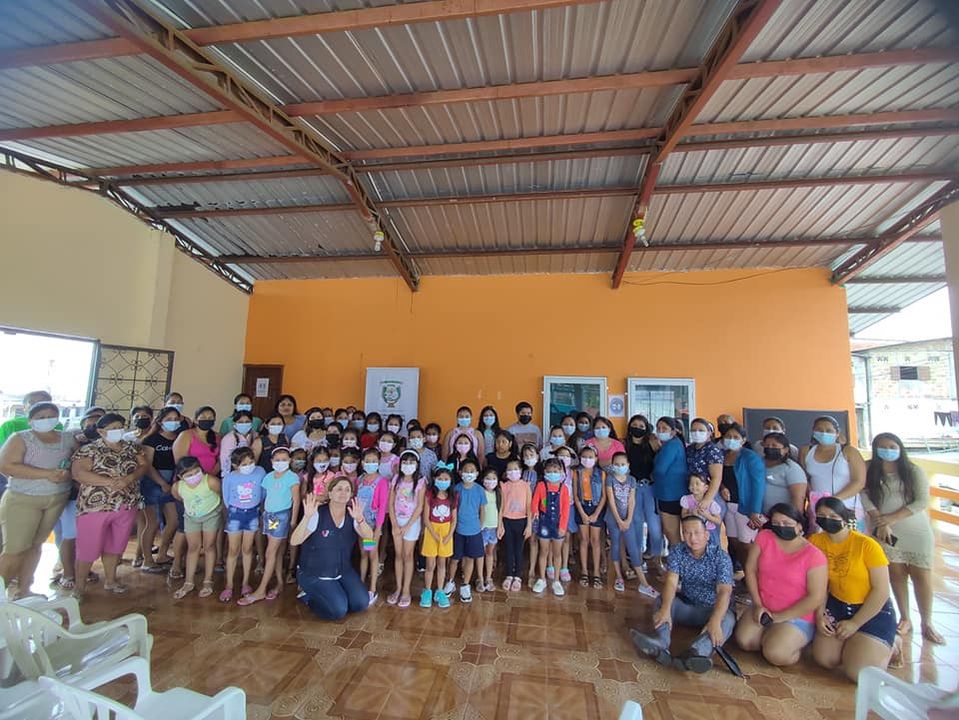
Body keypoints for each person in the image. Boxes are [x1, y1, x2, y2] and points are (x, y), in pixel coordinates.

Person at [862, 433, 942, 644]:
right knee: (896, 574)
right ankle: (905, 618)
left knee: (921, 576)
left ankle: (927, 622)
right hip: (884, 531)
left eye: (892, 446)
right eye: (882, 447)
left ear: (900, 448)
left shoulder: (913, 470)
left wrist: (890, 519)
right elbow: (864, 495)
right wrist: (881, 521)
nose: (887, 450)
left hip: (915, 531)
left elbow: (921, 501)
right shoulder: (869, 468)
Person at [630, 515, 735, 673]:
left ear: (706, 535)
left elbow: (724, 591)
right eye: (687, 533)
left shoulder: (721, 558)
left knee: (727, 620)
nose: (692, 538)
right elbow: (671, 582)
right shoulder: (678, 551)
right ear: (683, 534)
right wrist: (666, 609)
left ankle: (696, 653)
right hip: (689, 605)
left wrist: (715, 620)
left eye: (697, 532)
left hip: (713, 609)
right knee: (662, 601)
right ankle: (661, 643)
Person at [809, 496, 896, 681]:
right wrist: (819, 614)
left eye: (833, 516)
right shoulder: (815, 541)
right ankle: (855, 645)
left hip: (871, 609)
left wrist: (855, 623)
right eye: (822, 516)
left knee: (858, 674)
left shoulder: (867, 545)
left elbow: (881, 591)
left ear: (844, 517)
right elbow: (820, 584)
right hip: (837, 605)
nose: (827, 520)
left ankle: (894, 644)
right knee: (825, 659)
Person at [735, 503, 828, 666]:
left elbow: (816, 597)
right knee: (745, 641)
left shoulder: (814, 555)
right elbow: (750, 569)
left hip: (796, 614)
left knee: (775, 653)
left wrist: (779, 618)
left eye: (786, 523)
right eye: (776, 523)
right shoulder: (765, 537)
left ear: (799, 526)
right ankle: (774, 635)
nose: (781, 527)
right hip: (764, 606)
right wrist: (758, 604)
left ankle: (795, 642)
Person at [71, 413, 148, 601]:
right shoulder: (89, 450)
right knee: (88, 547)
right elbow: (78, 473)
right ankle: (79, 587)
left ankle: (111, 580)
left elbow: (144, 466)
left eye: (120, 427)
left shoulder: (131, 447)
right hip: (96, 506)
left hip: (126, 503)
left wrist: (129, 478)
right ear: (101, 431)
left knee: (116, 545)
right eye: (113, 428)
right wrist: (110, 482)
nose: (118, 431)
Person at [0, 401, 74, 596]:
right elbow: (6, 466)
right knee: (15, 549)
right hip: (23, 498)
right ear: (30, 420)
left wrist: (67, 473)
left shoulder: (67, 438)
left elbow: (77, 460)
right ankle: (1, 591)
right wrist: (47, 474)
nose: (46, 420)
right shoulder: (21, 438)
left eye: (51, 416)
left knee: (36, 545)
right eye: (41, 417)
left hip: (56, 497)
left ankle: (24, 590)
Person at [292, 478, 374, 620]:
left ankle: (335, 592)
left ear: (351, 495)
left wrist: (360, 519)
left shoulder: (352, 514)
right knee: (338, 611)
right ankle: (308, 596)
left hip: (342, 571)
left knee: (361, 603)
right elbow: (294, 541)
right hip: (315, 574)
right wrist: (306, 517)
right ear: (330, 493)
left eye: (347, 490)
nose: (343, 493)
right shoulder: (317, 513)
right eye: (339, 489)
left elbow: (369, 539)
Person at [239, 447, 301, 605]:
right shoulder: (268, 477)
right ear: (272, 461)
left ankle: (261, 590)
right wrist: (262, 515)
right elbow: (265, 497)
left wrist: (293, 521)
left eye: (284, 459)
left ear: (289, 461)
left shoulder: (292, 477)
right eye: (277, 460)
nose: (281, 462)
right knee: (277, 551)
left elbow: (296, 500)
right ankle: (279, 583)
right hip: (269, 515)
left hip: (281, 516)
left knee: (270, 552)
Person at [801, 416, 866, 532]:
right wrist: (813, 499)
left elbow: (859, 482)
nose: (824, 433)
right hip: (819, 509)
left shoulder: (848, 451)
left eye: (828, 430)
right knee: (820, 541)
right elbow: (804, 478)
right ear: (813, 431)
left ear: (837, 433)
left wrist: (833, 500)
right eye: (819, 430)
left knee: (849, 540)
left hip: (847, 508)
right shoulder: (806, 451)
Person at [606, 452, 658, 598]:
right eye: (616, 464)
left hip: (628, 520)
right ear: (612, 465)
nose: (620, 467)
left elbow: (631, 500)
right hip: (613, 519)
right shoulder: (610, 479)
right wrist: (619, 520)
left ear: (628, 465)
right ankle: (618, 577)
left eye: (622, 464)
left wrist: (628, 520)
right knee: (615, 545)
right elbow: (611, 501)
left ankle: (644, 584)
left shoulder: (632, 480)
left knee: (633, 548)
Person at [171, 456, 222, 600]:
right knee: (193, 547)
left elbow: (221, 494)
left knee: (209, 546)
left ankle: (208, 581)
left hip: (211, 515)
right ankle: (189, 582)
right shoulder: (177, 487)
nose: (194, 477)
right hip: (191, 517)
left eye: (197, 472)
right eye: (189, 475)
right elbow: (179, 497)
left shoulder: (211, 481)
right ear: (181, 477)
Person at [137, 407, 181, 574]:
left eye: (176, 419)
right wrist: (161, 482)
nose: (173, 422)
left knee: (174, 520)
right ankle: (147, 560)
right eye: (169, 419)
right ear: (160, 421)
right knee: (153, 522)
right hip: (152, 483)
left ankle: (162, 554)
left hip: (172, 482)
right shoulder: (152, 439)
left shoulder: (179, 438)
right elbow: (147, 465)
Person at [220, 447, 264, 603]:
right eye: (244, 464)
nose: (249, 466)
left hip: (253, 513)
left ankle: (246, 583)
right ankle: (229, 585)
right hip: (235, 514)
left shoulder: (260, 472)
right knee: (233, 550)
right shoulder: (230, 477)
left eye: (251, 462)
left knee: (247, 549)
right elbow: (226, 498)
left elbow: (263, 492)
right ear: (235, 465)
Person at [720, 422, 765, 570]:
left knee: (747, 544)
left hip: (745, 507)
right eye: (728, 436)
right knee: (734, 542)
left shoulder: (750, 457)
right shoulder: (723, 456)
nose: (731, 440)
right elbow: (718, 478)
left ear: (743, 440)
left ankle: (755, 575)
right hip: (728, 506)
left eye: (735, 437)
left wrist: (755, 511)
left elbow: (758, 485)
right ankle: (746, 573)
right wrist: (722, 487)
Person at [625, 415, 663, 574]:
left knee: (655, 527)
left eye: (641, 426)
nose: (637, 428)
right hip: (632, 489)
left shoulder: (652, 444)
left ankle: (657, 559)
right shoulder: (624, 445)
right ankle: (638, 561)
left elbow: (660, 464)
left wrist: (657, 445)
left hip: (650, 488)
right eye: (634, 425)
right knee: (636, 525)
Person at [445, 459, 486, 603]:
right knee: (454, 559)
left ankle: (465, 585)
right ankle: (450, 582)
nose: (469, 474)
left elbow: (482, 509)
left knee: (470, 559)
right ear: (460, 472)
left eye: (472, 471)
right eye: (466, 471)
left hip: (474, 531)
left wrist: (480, 526)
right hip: (458, 531)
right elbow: (452, 510)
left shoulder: (480, 490)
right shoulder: (456, 489)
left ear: (477, 473)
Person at [387, 451, 425, 608]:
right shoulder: (396, 479)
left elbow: (420, 506)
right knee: (398, 555)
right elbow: (390, 503)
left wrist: (407, 526)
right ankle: (398, 588)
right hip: (397, 521)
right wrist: (395, 524)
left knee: (408, 556)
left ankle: (406, 590)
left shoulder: (421, 482)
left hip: (412, 523)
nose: (408, 465)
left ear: (417, 465)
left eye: (411, 462)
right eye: (405, 462)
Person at [355, 449, 390, 603]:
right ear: (362, 463)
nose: (370, 464)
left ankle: (372, 588)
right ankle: (361, 582)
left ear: (378, 463)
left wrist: (378, 529)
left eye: (374, 461)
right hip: (359, 523)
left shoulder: (381, 482)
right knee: (363, 553)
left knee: (372, 555)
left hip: (371, 526)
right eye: (367, 461)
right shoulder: (360, 480)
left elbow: (382, 508)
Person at [531, 457, 569, 597]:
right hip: (544, 523)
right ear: (545, 472)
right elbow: (534, 503)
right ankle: (542, 579)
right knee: (544, 551)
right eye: (550, 471)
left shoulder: (564, 489)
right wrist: (535, 513)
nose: (553, 474)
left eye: (556, 471)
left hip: (558, 524)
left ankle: (556, 580)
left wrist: (563, 527)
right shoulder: (541, 486)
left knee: (557, 553)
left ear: (561, 472)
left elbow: (565, 510)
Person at [420, 466, 456, 608]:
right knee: (430, 565)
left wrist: (449, 535)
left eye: (446, 479)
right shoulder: (429, 495)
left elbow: (454, 519)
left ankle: (440, 591)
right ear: (435, 479)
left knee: (442, 564)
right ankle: (427, 590)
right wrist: (434, 535)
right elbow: (426, 518)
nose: (443, 481)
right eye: (440, 478)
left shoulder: (453, 496)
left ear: (450, 481)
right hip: (432, 532)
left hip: (446, 533)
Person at [651, 417, 688, 547]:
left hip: (670, 495)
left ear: (673, 431)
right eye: (658, 428)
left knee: (671, 533)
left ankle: (678, 559)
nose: (660, 431)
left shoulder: (671, 445)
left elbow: (660, 470)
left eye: (664, 428)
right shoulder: (671, 444)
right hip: (672, 493)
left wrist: (651, 475)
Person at [572, 445, 606, 588]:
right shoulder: (577, 473)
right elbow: (575, 495)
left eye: (590, 457)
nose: (587, 460)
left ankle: (596, 572)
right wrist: (582, 513)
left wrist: (596, 513)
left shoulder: (601, 473)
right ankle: (584, 571)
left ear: (596, 458)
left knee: (595, 540)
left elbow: (604, 496)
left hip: (596, 508)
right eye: (584, 457)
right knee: (584, 540)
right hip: (582, 507)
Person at [498, 459, 531, 592]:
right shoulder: (504, 486)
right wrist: (500, 524)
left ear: (521, 471)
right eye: (509, 470)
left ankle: (518, 576)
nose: (512, 472)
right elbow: (501, 507)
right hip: (507, 521)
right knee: (509, 549)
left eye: (515, 469)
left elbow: (529, 507)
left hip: (521, 521)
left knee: (519, 550)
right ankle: (509, 574)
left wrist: (529, 525)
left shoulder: (526, 486)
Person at [759, 431, 807, 515]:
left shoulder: (792, 468)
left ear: (785, 450)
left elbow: (798, 498)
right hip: (759, 515)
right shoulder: (758, 463)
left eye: (774, 446)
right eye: (767, 445)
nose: (770, 448)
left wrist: (793, 518)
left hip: (782, 517)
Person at [218, 411, 263, 486]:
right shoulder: (229, 438)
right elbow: (225, 460)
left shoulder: (255, 435)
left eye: (247, 422)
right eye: (240, 422)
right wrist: (225, 477)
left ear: (251, 423)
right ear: (235, 424)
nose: (244, 424)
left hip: (251, 471)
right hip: (235, 473)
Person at [681, 474, 723, 547]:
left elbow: (718, 521)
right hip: (694, 531)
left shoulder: (711, 503)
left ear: (706, 487)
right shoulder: (687, 499)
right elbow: (683, 515)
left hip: (709, 531)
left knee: (713, 548)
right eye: (691, 484)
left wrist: (706, 515)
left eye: (697, 484)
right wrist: (691, 513)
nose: (694, 486)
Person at [477, 467, 500, 592]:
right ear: (483, 480)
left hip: (494, 528)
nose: (491, 481)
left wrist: (500, 525)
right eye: (487, 478)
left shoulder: (498, 493)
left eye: (493, 478)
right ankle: (480, 578)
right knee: (480, 553)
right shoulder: (480, 492)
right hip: (482, 528)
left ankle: (488, 577)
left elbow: (500, 511)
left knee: (490, 552)